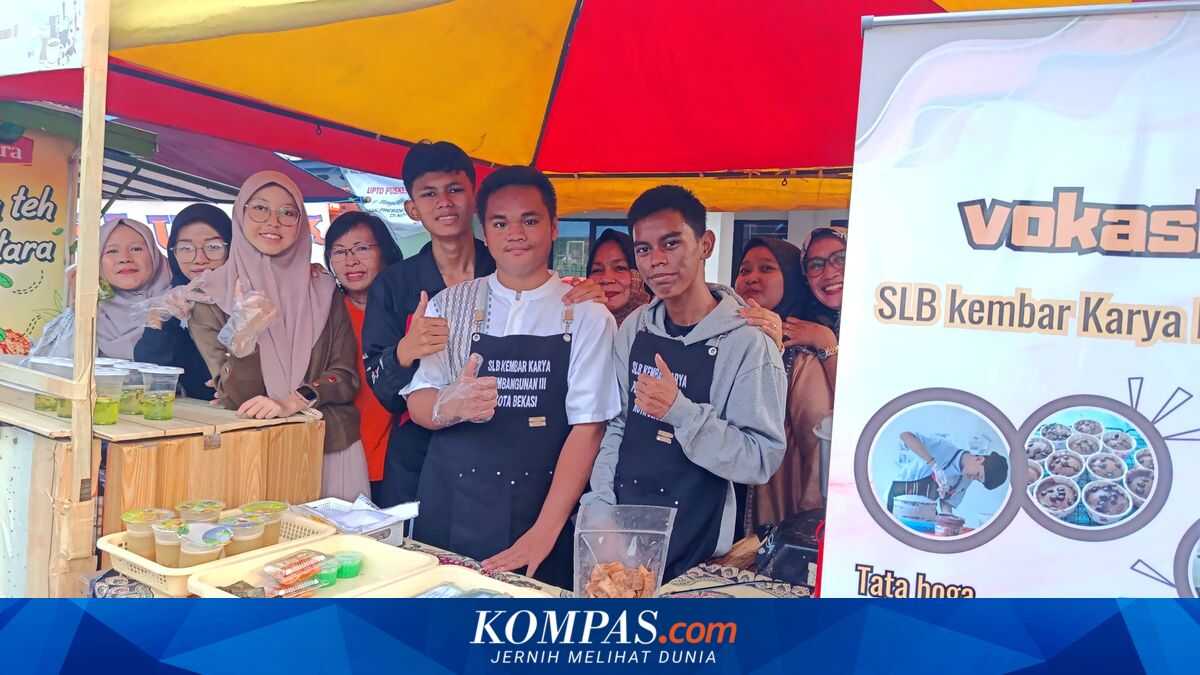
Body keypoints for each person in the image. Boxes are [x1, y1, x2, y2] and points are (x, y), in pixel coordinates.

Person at [401, 166, 619, 588]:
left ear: (554, 227)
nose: (515, 233)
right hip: (449, 498)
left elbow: (589, 429)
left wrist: (545, 531)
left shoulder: (587, 314)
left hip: (536, 508)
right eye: (501, 222)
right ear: (486, 231)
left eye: (530, 220)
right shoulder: (450, 304)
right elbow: (418, 402)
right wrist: (449, 405)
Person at [362, 141, 600, 507]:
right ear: (412, 208)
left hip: (523, 463)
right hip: (420, 456)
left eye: (455, 189)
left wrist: (586, 294)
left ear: (474, 199)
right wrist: (407, 351)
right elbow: (380, 388)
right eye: (429, 194)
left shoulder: (509, 264)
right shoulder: (393, 285)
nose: (444, 203)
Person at [582, 185, 787, 582]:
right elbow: (618, 426)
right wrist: (600, 509)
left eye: (671, 243)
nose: (657, 261)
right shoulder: (634, 329)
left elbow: (760, 459)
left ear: (705, 244)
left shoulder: (748, 341)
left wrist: (681, 412)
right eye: (644, 250)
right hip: (621, 540)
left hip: (700, 549)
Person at [188, 171, 366, 501]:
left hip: (329, 447)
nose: (274, 222)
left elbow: (345, 377)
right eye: (260, 209)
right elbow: (234, 398)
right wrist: (245, 338)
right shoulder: (209, 298)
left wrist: (293, 400)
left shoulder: (323, 288)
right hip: (250, 455)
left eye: (288, 212)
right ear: (240, 215)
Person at [735, 237, 835, 525]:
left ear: (791, 279)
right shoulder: (728, 339)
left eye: (766, 269)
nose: (752, 278)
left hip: (775, 507)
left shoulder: (801, 356)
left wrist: (808, 515)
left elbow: (815, 443)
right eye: (744, 270)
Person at [323, 211, 404, 501]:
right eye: (340, 252)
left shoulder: (407, 310)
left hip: (399, 457)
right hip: (340, 455)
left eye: (362, 248)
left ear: (385, 252)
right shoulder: (325, 313)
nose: (351, 261)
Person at [33, 218, 174, 360]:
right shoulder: (85, 314)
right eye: (112, 251)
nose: (124, 258)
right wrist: (80, 312)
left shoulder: (179, 304)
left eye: (136, 249)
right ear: (97, 260)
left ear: (154, 254)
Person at [134, 204, 233, 399]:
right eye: (186, 248)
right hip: (195, 418)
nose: (199, 259)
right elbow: (150, 371)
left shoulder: (252, 297)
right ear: (173, 252)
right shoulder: (174, 300)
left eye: (213, 247)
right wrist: (156, 319)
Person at [889, 431, 1008, 514]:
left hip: (922, 512)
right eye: (978, 475)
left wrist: (948, 518)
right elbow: (905, 436)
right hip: (897, 499)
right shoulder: (943, 447)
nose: (973, 478)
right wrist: (933, 464)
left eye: (977, 480)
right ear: (979, 459)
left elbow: (947, 503)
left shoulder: (966, 480)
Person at [586, 228, 651, 326]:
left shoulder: (662, 327)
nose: (606, 279)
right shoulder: (574, 326)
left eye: (620, 268)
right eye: (597, 270)